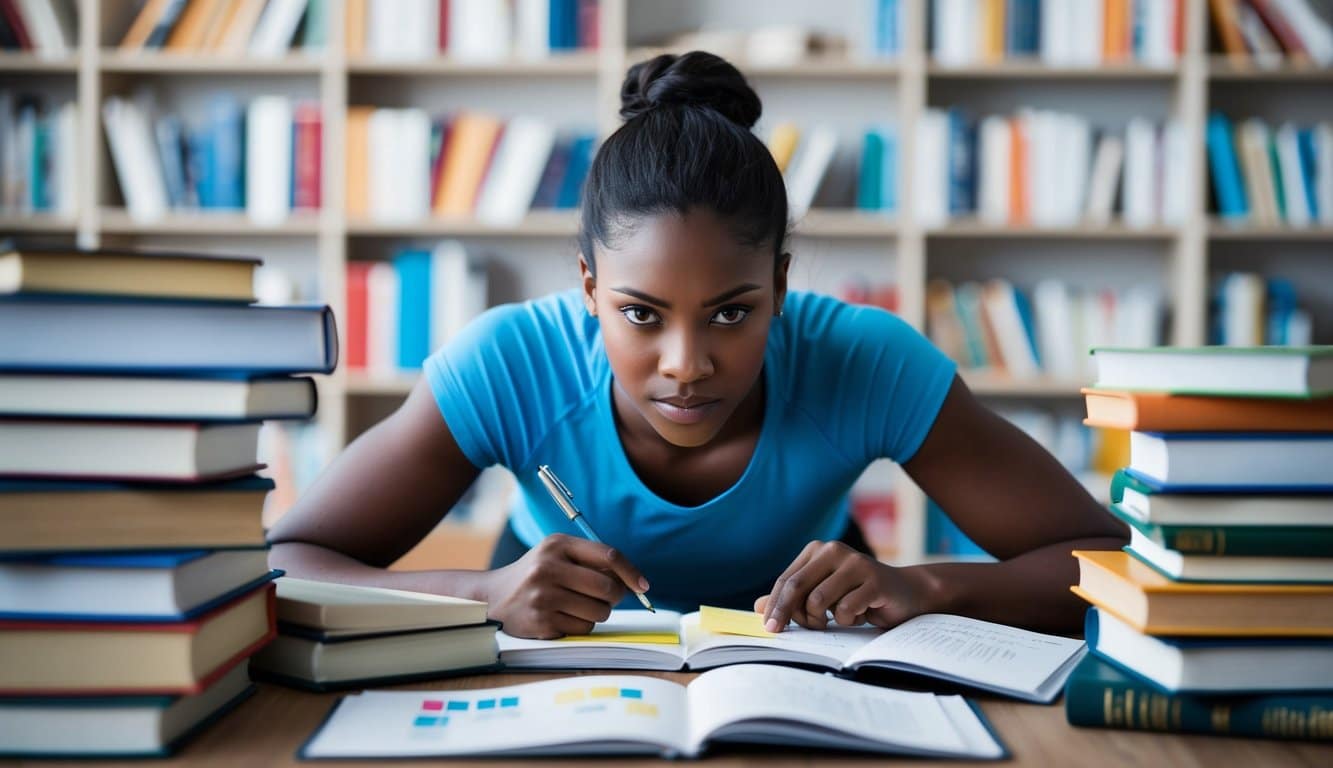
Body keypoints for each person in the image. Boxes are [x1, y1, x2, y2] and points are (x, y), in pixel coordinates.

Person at [269, 51, 1127, 640]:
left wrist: (924, 585)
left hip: (810, 649)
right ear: (589, 290)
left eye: (730, 314)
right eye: (640, 314)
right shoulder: (508, 363)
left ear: (782, 288)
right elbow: (284, 565)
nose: (686, 364)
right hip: (552, 636)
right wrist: (482, 597)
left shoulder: (864, 361)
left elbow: (1103, 564)